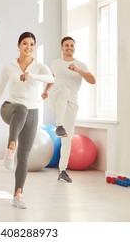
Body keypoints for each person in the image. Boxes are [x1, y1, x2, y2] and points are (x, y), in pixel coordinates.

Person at [0, 32, 54, 209]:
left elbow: (51, 79)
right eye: (25, 44)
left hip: (32, 113)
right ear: (18, 45)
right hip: (10, 108)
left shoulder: (39, 67)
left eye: (32, 44)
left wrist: (31, 76)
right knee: (21, 108)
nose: (28, 47)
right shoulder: (9, 66)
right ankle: (10, 147)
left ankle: (18, 194)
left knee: (24, 157)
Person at [42, 36, 96, 183]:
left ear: (74, 48)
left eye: (72, 45)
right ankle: (59, 125)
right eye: (66, 45)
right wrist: (46, 90)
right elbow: (52, 78)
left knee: (68, 138)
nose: (69, 48)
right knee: (65, 90)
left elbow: (92, 80)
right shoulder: (56, 63)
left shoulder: (80, 65)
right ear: (61, 47)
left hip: (71, 104)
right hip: (55, 99)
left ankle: (62, 170)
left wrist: (77, 69)